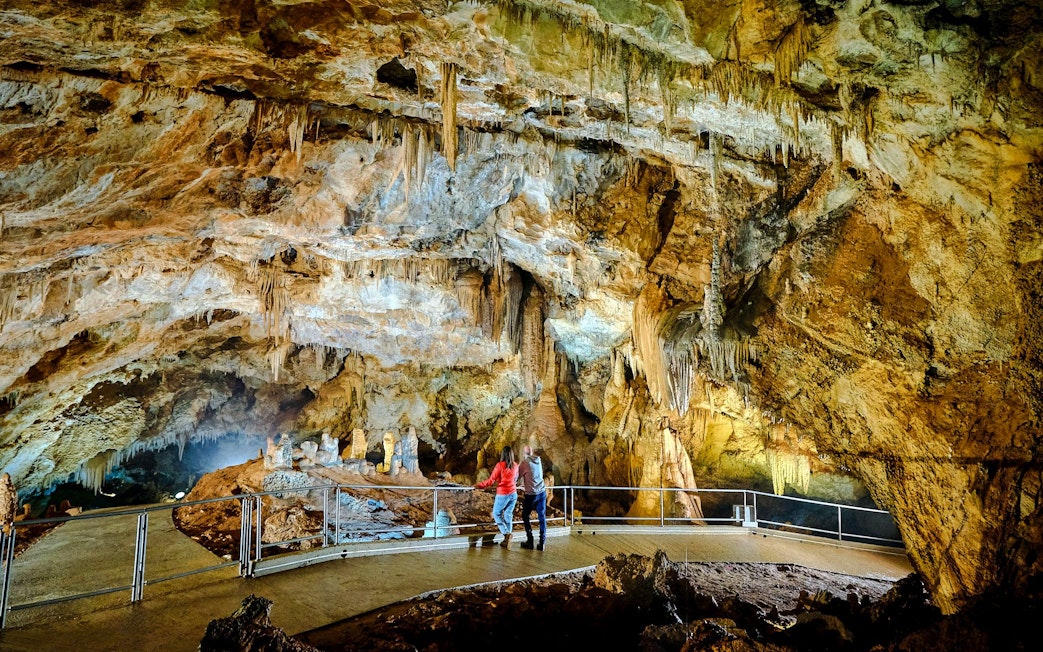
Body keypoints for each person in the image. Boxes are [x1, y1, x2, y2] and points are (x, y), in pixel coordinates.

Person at [473, 445, 518, 548]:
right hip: (513, 493)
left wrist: (479, 485)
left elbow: (491, 480)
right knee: (508, 515)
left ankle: (507, 534)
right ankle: (507, 540)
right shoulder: (515, 465)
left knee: (496, 514)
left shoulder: (500, 465)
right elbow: (515, 478)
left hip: (503, 493)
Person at [516, 445, 547, 550]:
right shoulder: (538, 460)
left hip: (531, 495)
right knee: (542, 518)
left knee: (525, 516)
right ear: (532, 452)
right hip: (542, 493)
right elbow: (534, 476)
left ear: (524, 453)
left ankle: (530, 540)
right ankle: (542, 542)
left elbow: (517, 477)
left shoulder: (525, 463)